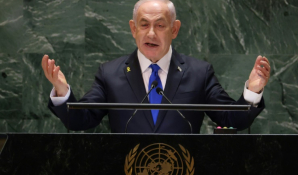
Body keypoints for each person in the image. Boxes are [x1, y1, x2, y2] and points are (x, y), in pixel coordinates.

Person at [42, 0, 270, 133]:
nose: (151, 33)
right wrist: (62, 92)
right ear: (133, 29)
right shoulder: (109, 74)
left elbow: (232, 119)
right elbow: (81, 120)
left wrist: (253, 92)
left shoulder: (199, 73)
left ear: (174, 29)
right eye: (144, 25)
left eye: (160, 25)